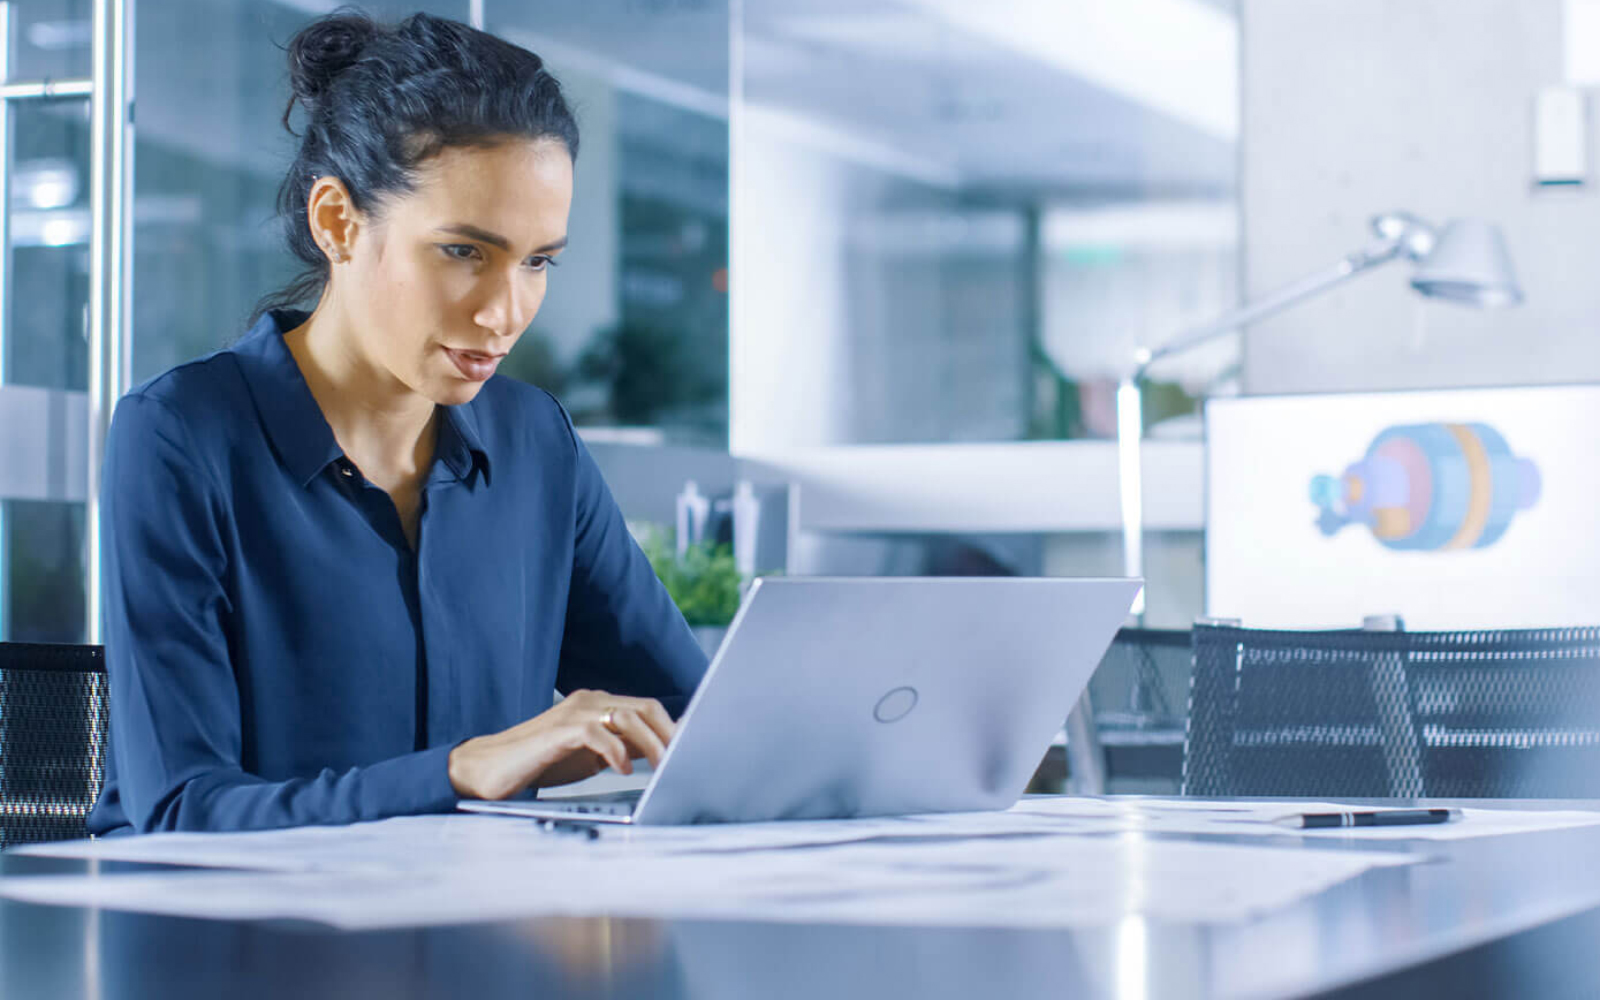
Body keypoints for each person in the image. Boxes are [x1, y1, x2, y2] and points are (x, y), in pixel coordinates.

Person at [87, 11, 708, 835]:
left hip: (473, 939)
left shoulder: (533, 444)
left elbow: (693, 717)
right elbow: (179, 807)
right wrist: (459, 772)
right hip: (234, 948)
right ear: (338, 222)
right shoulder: (181, 437)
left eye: (537, 262)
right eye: (463, 252)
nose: (504, 313)